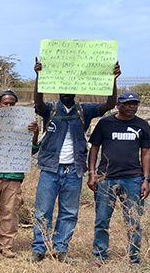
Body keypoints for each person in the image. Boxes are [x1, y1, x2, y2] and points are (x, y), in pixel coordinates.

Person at [31, 59, 120, 262]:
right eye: (63, 89)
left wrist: (112, 80)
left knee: (69, 212)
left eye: (70, 89)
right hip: (50, 169)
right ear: (58, 91)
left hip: (74, 170)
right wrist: (39, 77)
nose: (67, 93)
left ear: (75, 91)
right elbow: (38, 102)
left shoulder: (84, 110)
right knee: (43, 211)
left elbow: (109, 104)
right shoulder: (50, 110)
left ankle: (60, 249)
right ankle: (39, 249)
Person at [87, 92, 150, 266]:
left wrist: (146, 179)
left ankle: (134, 259)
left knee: (133, 221)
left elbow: (145, 154)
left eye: (135, 104)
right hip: (105, 179)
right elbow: (94, 149)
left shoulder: (142, 125)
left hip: (133, 179)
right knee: (102, 219)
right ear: (118, 105)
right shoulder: (105, 123)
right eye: (128, 104)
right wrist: (92, 173)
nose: (132, 107)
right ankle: (100, 255)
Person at [0, 90, 39, 258]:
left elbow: (31, 150)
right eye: (5, 103)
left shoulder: (24, 124)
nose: (8, 106)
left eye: (12, 103)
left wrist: (34, 134)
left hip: (13, 176)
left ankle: (6, 246)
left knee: (10, 212)